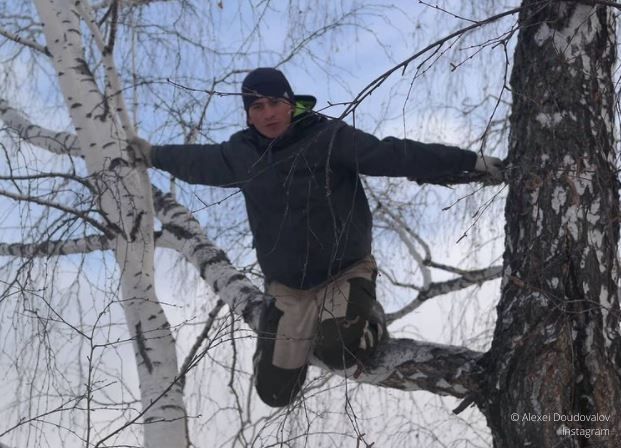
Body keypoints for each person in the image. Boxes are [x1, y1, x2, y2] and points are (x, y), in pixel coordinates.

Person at [129, 67, 503, 407]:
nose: (268, 113)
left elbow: (395, 155)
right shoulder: (241, 156)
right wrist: (151, 154)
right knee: (274, 393)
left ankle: (368, 316)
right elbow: (194, 162)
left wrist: (467, 162)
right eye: (256, 106)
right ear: (248, 114)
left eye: (275, 102)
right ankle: (275, 332)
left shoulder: (327, 137)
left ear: (291, 104)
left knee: (343, 353)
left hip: (344, 272)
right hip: (289, 290)